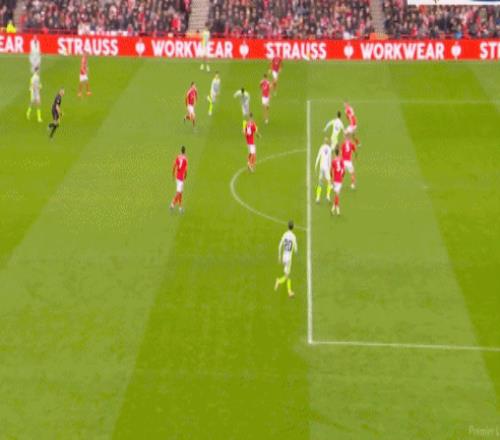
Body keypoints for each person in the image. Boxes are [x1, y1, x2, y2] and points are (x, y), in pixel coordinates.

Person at [274, 220, 298, 298]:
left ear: (288, 226)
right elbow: (296, 248)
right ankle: (281, 283)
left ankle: (287, 289)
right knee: (288, 275)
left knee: (287, 274)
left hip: (284, 257)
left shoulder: (285, 234)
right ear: (293, 227)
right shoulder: (293, 236)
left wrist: (279, 256)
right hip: (289, 259)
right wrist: (296, 252)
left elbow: (279, 246)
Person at [170, 146, 188, 213]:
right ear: (185, 151)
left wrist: (173, 174)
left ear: (181, 151)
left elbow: (174, 166)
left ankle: (180, 207)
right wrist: (185, 176)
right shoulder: (185, 159)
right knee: (178, 192)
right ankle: (172, 204)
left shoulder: (178, 157)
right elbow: (186, 170)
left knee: (180, 193)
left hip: (177, 177)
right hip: (181, 178)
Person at [314, 137, 332, 203]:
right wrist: (330, 168)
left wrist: (315, 166)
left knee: (320, 182)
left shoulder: (321, 147)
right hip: (326, 167)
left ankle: (318, 198)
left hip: (321, 167)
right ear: (327, 142)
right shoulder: (329, 149)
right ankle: (328, 196)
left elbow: (318, 157)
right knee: (329, 182)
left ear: (324, 142)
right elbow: (330, 160)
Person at [330, 148, 345, 215]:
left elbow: (331, 171)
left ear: (335, 153)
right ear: (338, 153)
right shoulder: (341, 160)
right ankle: (336, 209)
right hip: (339, 180)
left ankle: (333, 208)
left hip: (335, 180)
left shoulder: (333, 161)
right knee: (337, 195)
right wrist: (342, 176)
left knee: (336, 194)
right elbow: (343, 171)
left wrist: (331, 179)